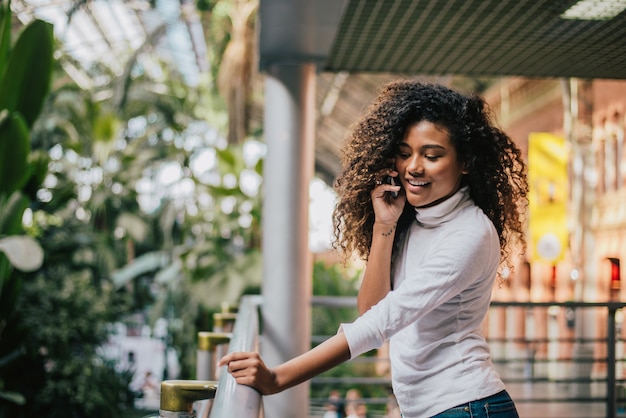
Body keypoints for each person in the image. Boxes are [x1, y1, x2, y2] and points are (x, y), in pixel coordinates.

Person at [219, 80, 527, 417]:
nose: (414, 167)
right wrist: (385, 225)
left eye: (432, 155)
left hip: (466, 406)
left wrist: (278, 378)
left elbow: (381, 321)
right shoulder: (414, 220)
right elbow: (371, 308)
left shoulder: (470, 233)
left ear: (465, 161)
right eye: (405, 153)